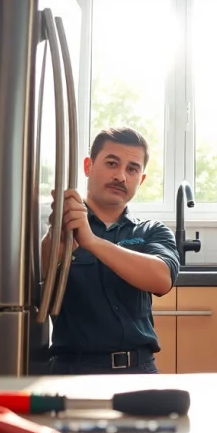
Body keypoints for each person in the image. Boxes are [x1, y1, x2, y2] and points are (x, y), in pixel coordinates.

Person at [40, 126, 180, 374]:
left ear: (141, 180)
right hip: (70, 371)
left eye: (132, 169)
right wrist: (56, 239)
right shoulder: (62, 227)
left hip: (138, 371)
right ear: (88, 166)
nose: (121, 177)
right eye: (112, 163)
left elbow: (161, 279)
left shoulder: (152, 231)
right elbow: (34, 281)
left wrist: (92, 241)